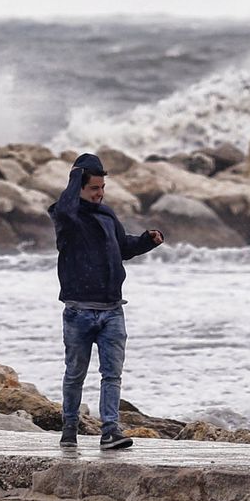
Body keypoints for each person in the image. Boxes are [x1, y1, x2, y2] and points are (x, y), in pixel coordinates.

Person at [48, 152, 164, 449]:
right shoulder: (67, 219)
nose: (99, 194)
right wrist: (76, 175)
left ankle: (110, 430)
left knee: (112, 375)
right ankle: (69, 428)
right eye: (93, 188)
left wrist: (145, 241)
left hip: (112, 310)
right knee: (75, 374)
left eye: (102, 188)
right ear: (79, 187)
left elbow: (122, 247)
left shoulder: (106, 214)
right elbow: (65, 208)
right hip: (79, 311)